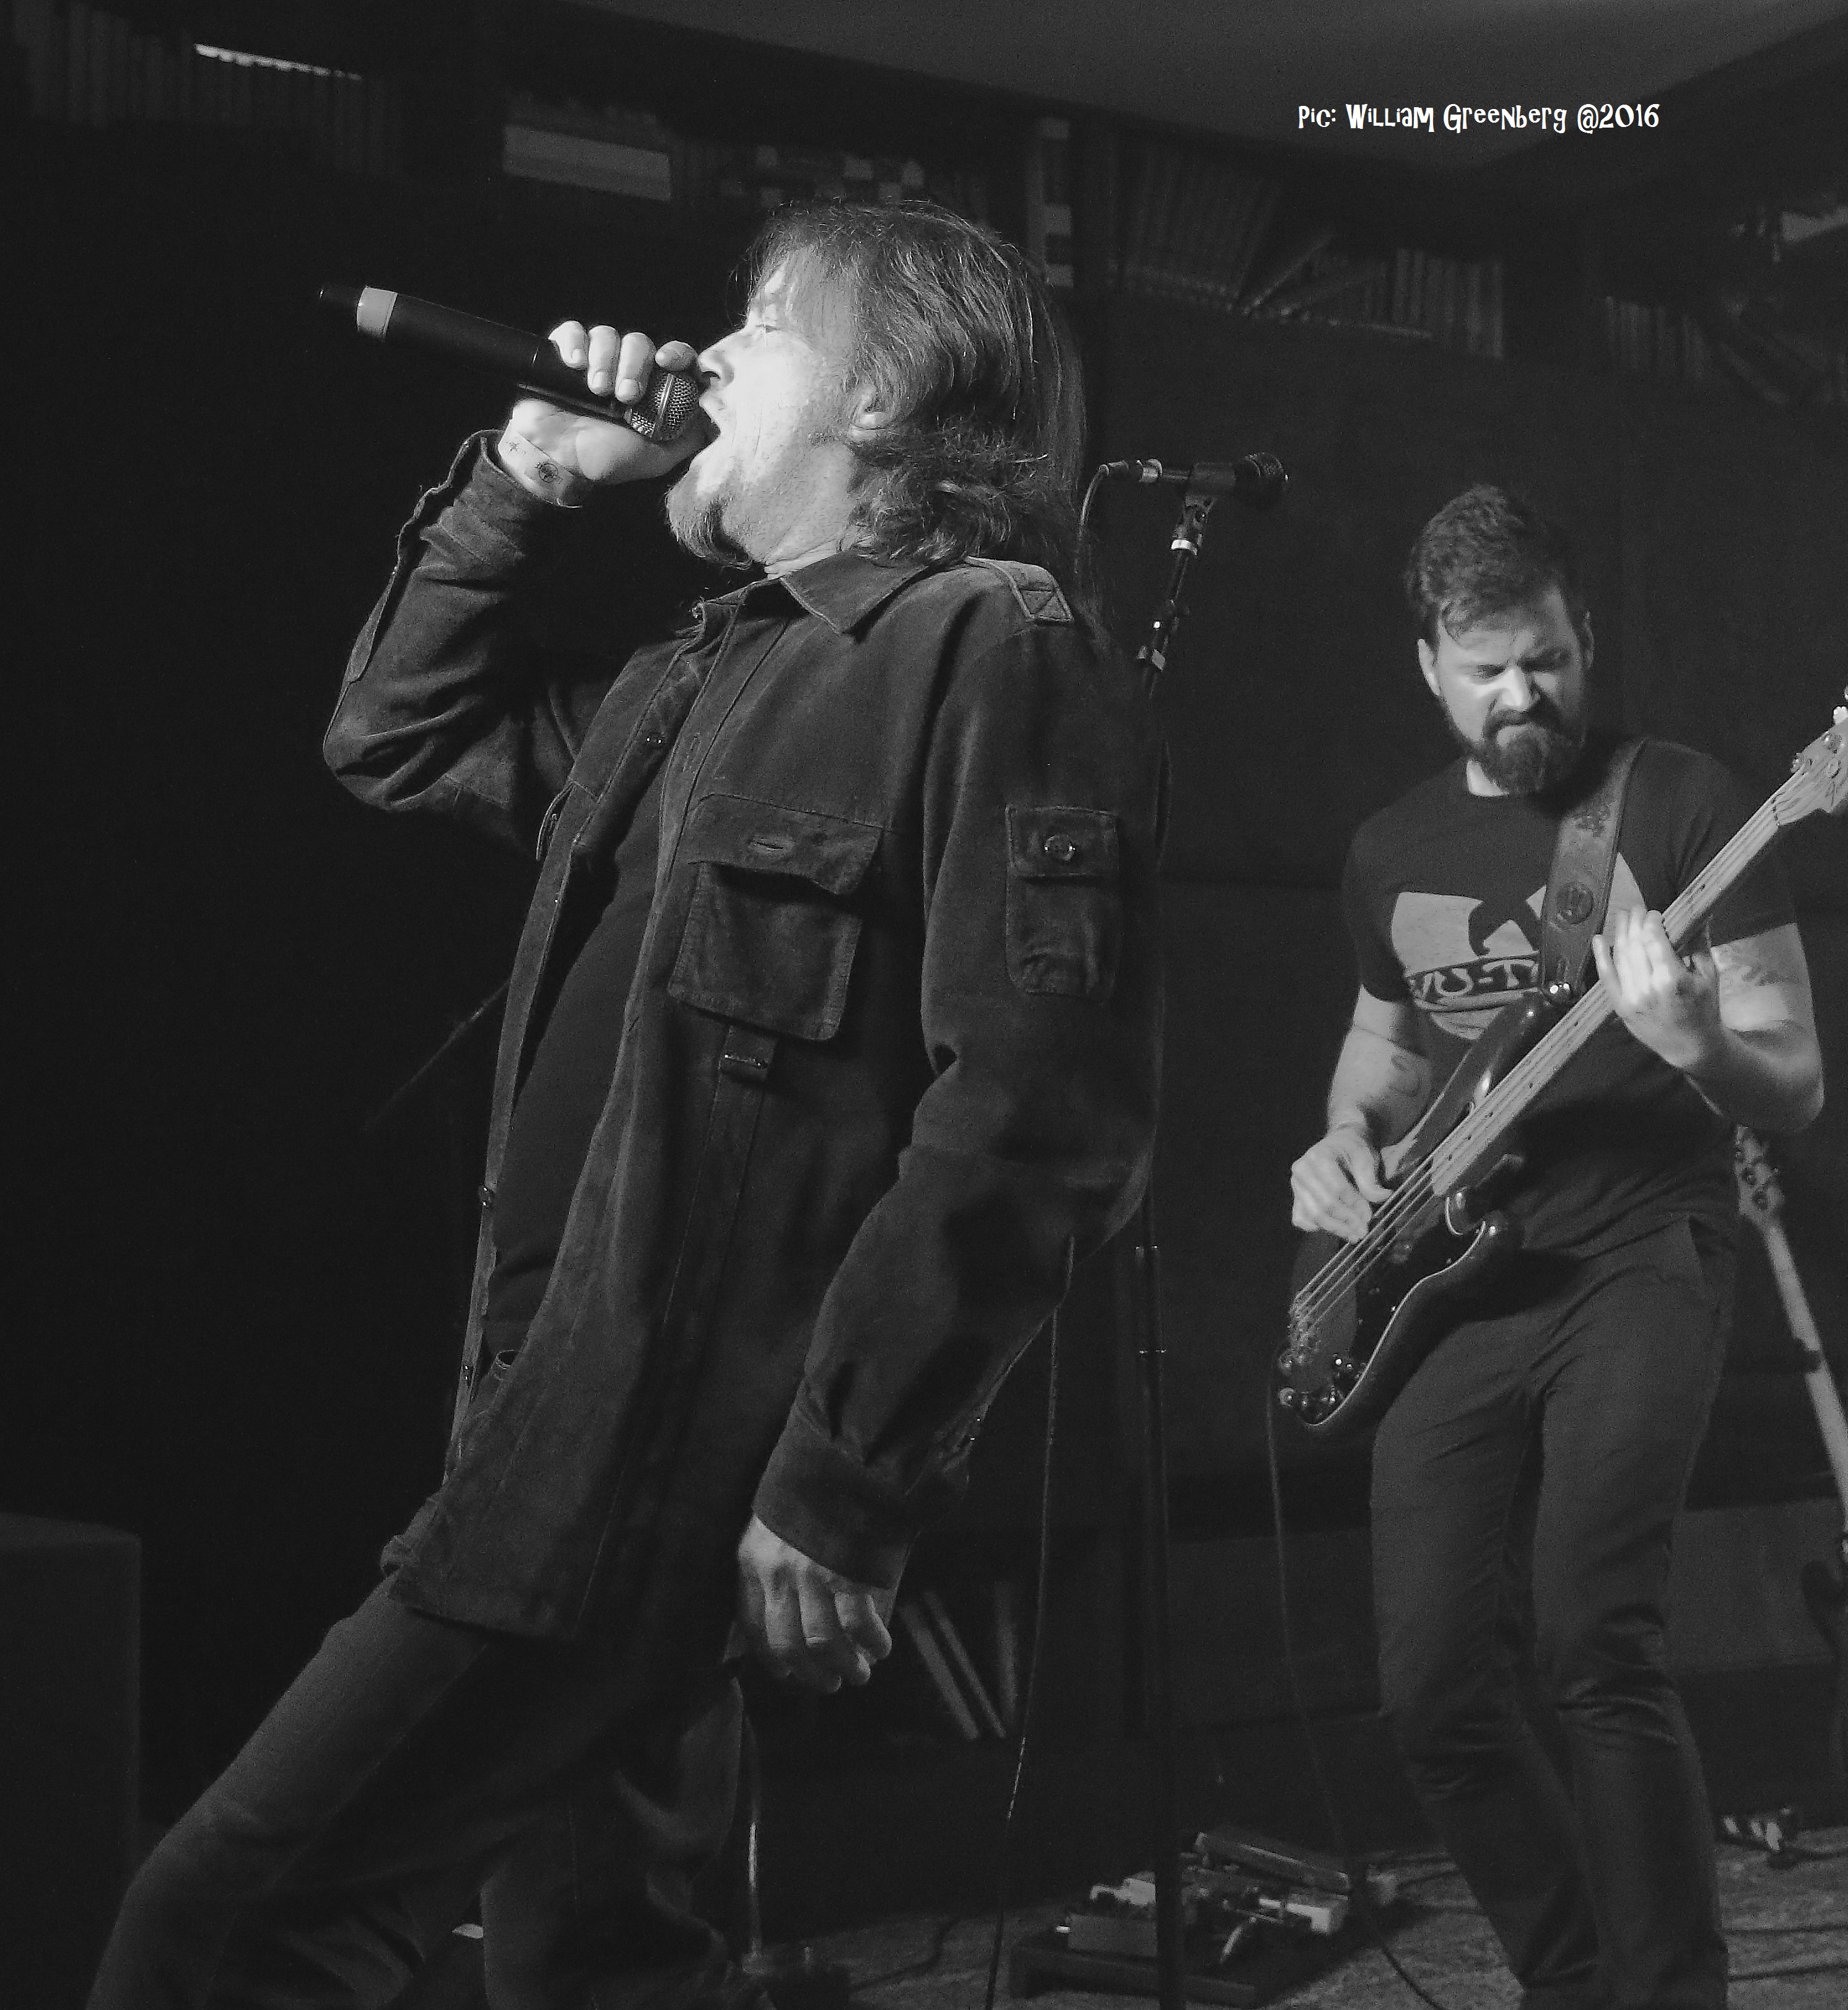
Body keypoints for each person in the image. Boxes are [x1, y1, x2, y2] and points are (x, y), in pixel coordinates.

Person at [92, 202, 1165, 2009]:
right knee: (600, 1967)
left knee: (220, 1929)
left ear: (885, 392)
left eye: (766, 322)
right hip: (537, 1410)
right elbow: (398, 734)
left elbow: (1041, 1105)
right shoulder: (705, 671)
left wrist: (846, 1476)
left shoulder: (990, 643)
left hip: (634, 1456)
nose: (708, 353)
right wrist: (527, 475)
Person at [1289, 486, 1823, 2010]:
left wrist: (1696, 1043)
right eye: (1486, 671)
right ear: (1428, 669)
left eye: (1545, 659)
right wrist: (1342, 1139)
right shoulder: (1387, 848)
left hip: (1639, 1252)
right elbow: (1382, 1049)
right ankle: (1574, 1981)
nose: (1522, 694)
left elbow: (1793, 1078)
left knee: (1596, 1642)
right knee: (1430, 1691)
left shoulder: (1685, 807)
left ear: (1582, 636)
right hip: (1451, 1284)